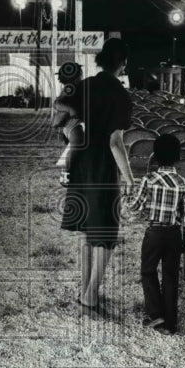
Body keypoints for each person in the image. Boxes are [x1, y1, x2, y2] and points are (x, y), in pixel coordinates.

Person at [60, 38, 135, 311]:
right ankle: (91, 294)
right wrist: (129, 179)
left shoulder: (85, 85)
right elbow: (116, 142)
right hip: (103, 166)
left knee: (86, 230)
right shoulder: (121, 95)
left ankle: (85, 290)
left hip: (81, 163)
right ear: (124, 63)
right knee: (104, 232)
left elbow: (63, 116)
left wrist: (72, 136)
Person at [129, 134, 185, 335]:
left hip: (154, 233)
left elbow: (135, 206)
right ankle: (170, 322)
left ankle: (155, 313)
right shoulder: (184, 183)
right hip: (174, 234)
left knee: (148, 271)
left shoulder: (148, 180)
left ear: (155, 156)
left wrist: (127, 199)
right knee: (171, 276)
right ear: (177, 157)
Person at [53, 61, 84, 178]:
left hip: (75, 122)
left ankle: (72, 171)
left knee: (76, 147)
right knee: (76, 146)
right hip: (72, 122)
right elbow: (56, 103)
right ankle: (66, 172)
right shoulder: (69, 88)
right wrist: (71, 110)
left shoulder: (75, 87)